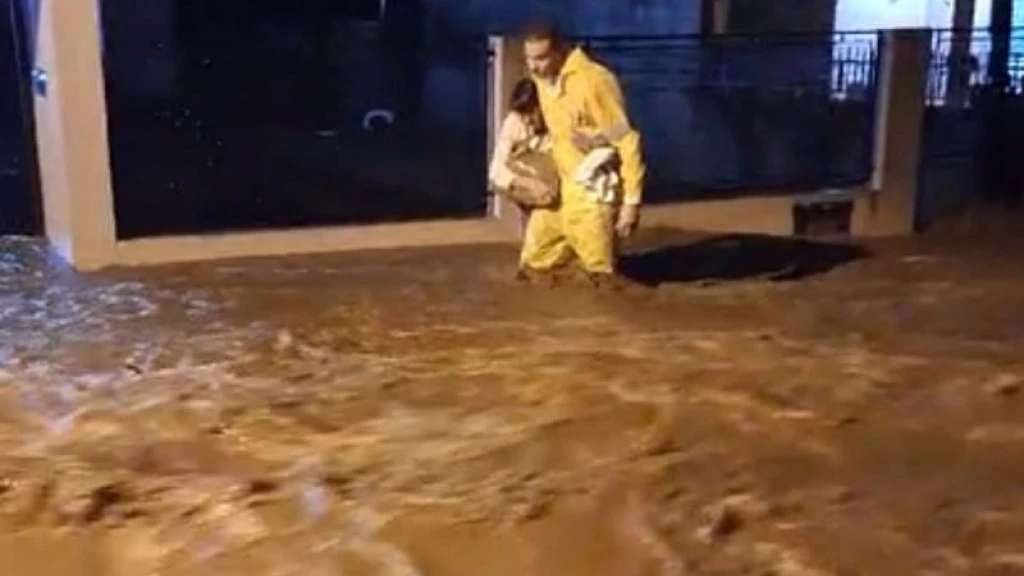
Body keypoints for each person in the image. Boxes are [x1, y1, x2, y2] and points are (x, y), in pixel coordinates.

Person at [518, 23, 646, 283]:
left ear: (560, 52)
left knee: (599, 277)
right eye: (529, 59)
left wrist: (631, 204)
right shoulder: (542, 80)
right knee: (533, 265)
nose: (533, 67)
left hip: (591, 193)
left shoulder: (594, 80)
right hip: (558, 189)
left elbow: (626, 136)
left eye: (541, 58)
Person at [488, 78, 557, 209]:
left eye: (531, 112)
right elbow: (496, 170)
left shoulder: (557, 121)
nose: (527, 120)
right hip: (530, 196)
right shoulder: (514, 122)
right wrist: (530, 184)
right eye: (522, 114)